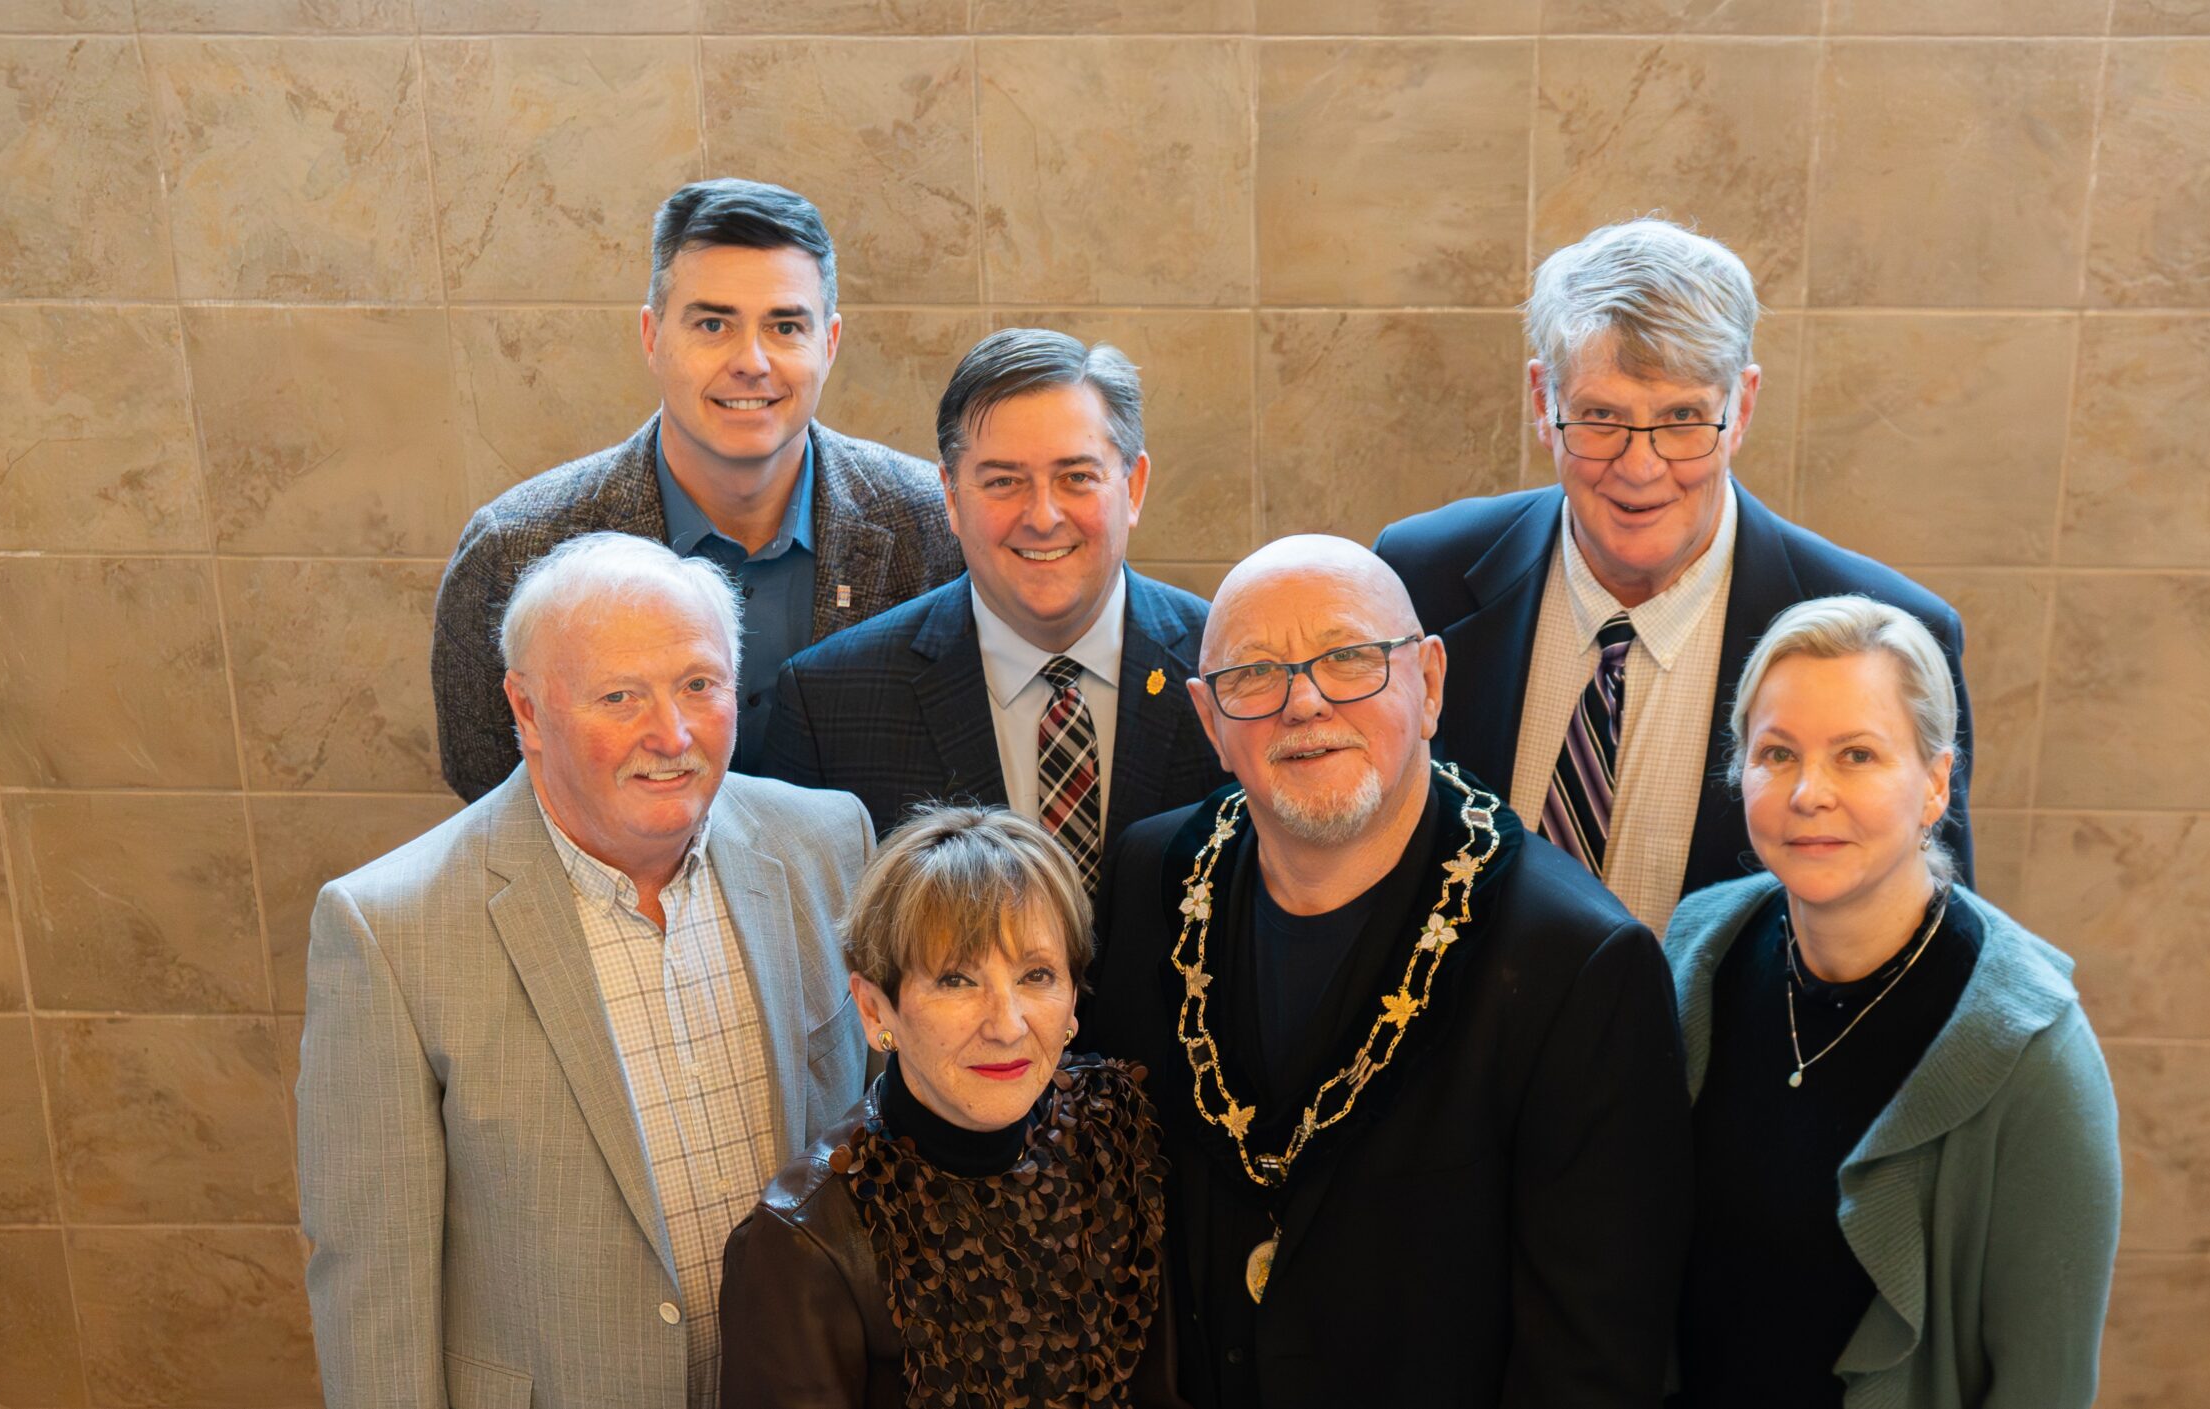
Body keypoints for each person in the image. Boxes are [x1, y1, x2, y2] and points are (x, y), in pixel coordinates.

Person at [1088, 535, 1692, 1408]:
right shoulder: (1150, 878)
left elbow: (1591, 1366)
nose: (1304, 702)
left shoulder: (1580, 965)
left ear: (1430, 682)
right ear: (1210, 720)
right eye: (1254, 674)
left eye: (1349, 658)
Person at [302, 533, 876, 1408]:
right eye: (620, 695)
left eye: (699, 684)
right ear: (527, 711)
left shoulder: (830, 844)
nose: (671, 734)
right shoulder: (388, 928)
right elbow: (372, 1289)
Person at [1375, 217, 1973, 936]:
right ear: (1542, 401)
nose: (1640, 466)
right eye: (1600, 416)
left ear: (1741, 407)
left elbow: (1931, 945)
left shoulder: (1894, 638)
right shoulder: (1419, 578)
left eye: (1683, 417)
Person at [1665, 595, 2119, 1409]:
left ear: (1936, 783)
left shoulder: (2035, 1055)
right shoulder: (1696, 953)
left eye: (1857, 755)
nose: (1809, 792)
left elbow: (2043, 1386)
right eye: (1777, 753)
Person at [432, 178, 964, 802]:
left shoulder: (937, 526)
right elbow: (493, 791)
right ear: (652, 337)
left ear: (829, 343)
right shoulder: (512, 552)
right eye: (713, 324)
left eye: (785, 326)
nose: (752, 362)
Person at [716, 804, 1188, 1409]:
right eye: (956, 980)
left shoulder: (1112, 1130)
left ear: (1074, 998)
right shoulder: (801, 1243)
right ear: (874, 1010)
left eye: (1037, 975)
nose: (1007, 1025)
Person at [759, 328, 1224, 891]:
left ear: (1135, 487)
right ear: (951, 497)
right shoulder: (830, 704)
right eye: (1003, 481)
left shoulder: (1228, 672)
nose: (1043, 517)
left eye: (1077, 477)